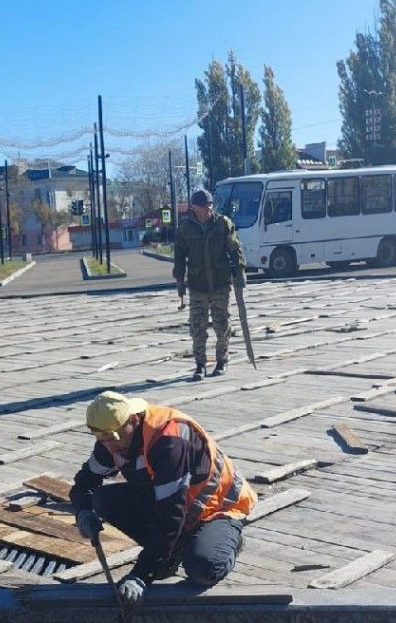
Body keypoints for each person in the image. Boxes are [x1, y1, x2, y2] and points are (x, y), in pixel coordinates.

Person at [69, 391, 256, 607]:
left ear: (133, 419)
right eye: (103, 440)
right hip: (173, 503)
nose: (111, 447)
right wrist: (83, 510)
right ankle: (168, 555)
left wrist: (141, 575)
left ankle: (228, 542)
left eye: (114, 438)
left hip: (216, 509)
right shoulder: (111, 440)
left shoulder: (169, 440)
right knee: (102, 499)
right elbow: (86, 482)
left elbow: (170, 514)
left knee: (204, 569)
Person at [173, 189, 247, 380]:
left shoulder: (222, 224)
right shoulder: (186, 228)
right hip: (197, 286)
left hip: (220, 284)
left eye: (210, 206)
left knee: (222, 326)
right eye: (204, 207)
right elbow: (179, 257)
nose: (208, 209)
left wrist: (240, 273)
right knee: (197, 328)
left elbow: (235, 249)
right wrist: (180, 282)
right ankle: (200, 365)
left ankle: (222, 361)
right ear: (194, 208)